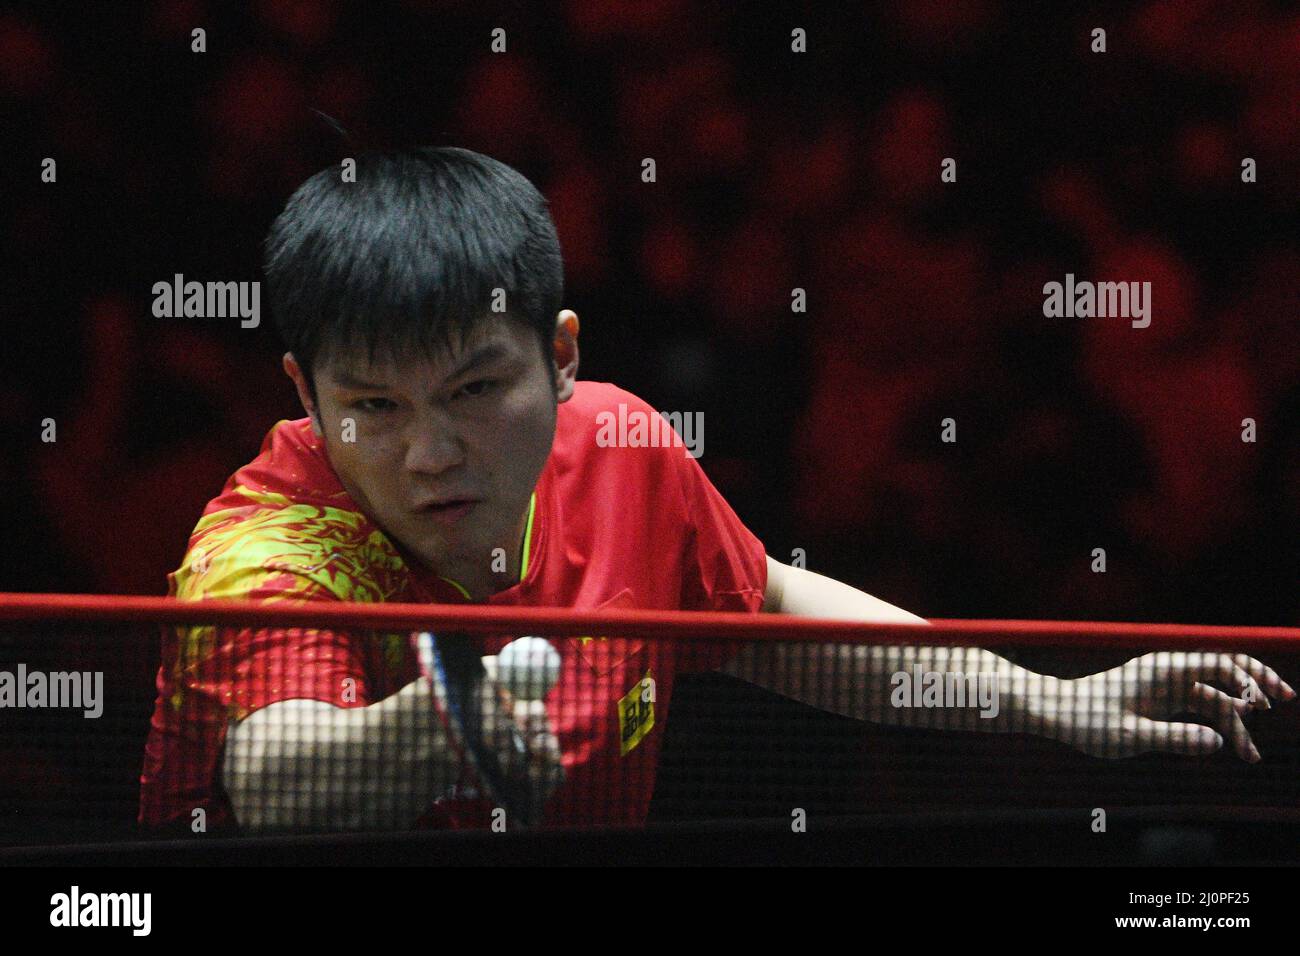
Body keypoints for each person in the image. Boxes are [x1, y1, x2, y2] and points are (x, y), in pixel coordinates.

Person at [139, 147, 1294, 834]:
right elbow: (277, 769)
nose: (431, 452)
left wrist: (1055, 701)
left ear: (563, 354)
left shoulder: (623, 447)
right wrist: (439, 735)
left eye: (475, 388)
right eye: (374, 406)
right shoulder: (264, 547)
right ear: (302, 388)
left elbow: (775, 616)